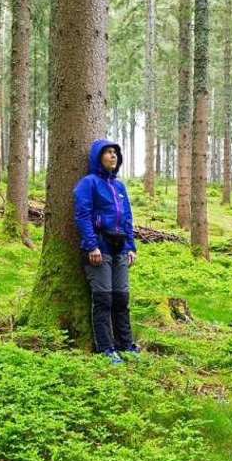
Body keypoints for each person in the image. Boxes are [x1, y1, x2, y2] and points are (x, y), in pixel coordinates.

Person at [74, 139, 138, 364]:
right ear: (97, 157)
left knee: (121, 298)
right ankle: (106, 349)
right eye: (108, 153)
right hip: (99, 248)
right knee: (103, 299)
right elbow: (82, 215)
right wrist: (91, 245)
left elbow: (127, 218)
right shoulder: (88, 183)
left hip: (120, 249)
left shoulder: (120, 187)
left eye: (115, 153)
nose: (113, 156)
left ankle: (126, 344)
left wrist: (131, 246)